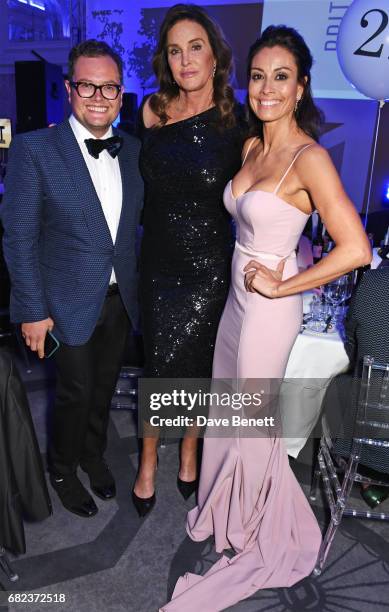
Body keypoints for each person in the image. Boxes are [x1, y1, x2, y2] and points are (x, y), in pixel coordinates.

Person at [160, 25, 371, 610]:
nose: (267, 88)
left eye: (281, 77)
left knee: (251, 428)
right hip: (235, 305)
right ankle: (225, 507)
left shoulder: (311, 158)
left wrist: (285, 285)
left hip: (268, 313)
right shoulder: (253, 149)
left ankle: (257, 527)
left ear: (301, 87)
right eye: (258, 75)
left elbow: (354, 249)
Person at [1, 40, 143, 518]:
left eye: (109, 87)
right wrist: (32, 310)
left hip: (120, 298)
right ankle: (61, 468)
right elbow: (18, 236)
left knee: (103, 388)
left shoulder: (134, 153)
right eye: (88, 85)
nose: (99, 96)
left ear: (121, 94)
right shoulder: (34, 149)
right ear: (69, 89)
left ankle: (91, 454)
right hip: (60, 304)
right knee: (74, 391)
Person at [133, 4, 247, 516]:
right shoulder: (151, 110)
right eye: (175, 50)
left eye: (195, 47)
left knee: (198, 370)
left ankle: (189, 452)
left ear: (216, 56)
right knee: (158, 369)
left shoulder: (237, 123)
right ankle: (148, 461)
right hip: (157, 265)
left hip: (207, 270)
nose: (185, 60)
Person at [326, 267, 389, 508]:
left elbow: (353, 342)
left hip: (366, 434)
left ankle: (370, 477)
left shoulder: (375, 280)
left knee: (341, 384)